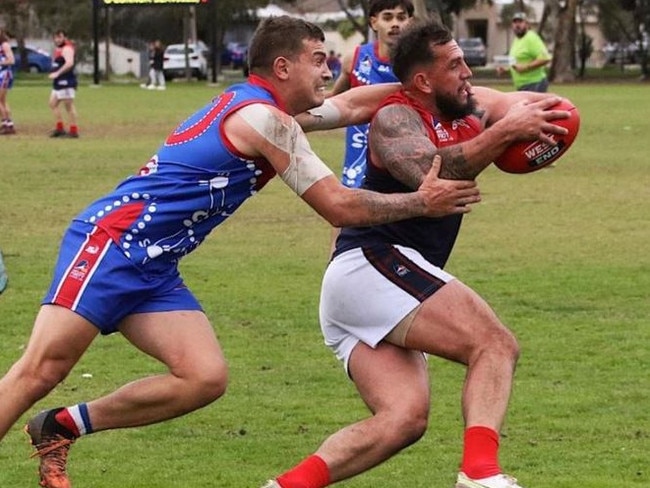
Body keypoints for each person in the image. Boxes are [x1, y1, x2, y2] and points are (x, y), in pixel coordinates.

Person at [0, 16, 483, 488]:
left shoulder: (265, 109)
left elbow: (355, 103)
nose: (327, 70)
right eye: (317, 60)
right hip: (113, 242)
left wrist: (456, 96)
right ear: (282, 67)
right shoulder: (264, 120)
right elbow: (339, 205)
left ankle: (62, 425)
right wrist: (422, 201)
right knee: (42, 369)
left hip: (156, 264)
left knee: (203, 377)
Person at [261, 19, 570, 488]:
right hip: (370, 263)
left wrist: (538, 118)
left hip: (370, 284)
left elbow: (514, 107)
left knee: (404, 418)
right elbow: (433, 171)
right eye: (455, 65)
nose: (468, 72)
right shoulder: (396, 116)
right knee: (494, 343)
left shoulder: (463, 108)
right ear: (423, 80)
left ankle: (286, 486)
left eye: (466, 60)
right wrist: (505, 132)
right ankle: (480, 474)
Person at [329, 0, 414, 188]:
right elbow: (333, 100)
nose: (395, 24)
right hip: (360, 157)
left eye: (401, 17)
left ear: (410, 22)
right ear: (374, 22)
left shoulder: (418, 66)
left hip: (404, 157)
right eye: (387, 17)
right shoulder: (355, 59)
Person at [498, 12, 551, 92]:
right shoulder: (517, 40)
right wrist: (506, 69)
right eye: (515, 22)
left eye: (520, 22)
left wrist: (526, 67)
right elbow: (517, 61)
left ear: (527, 24)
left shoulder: (531, 38)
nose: (517, 25)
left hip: (534, 83)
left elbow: (545, 58)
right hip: (523, 86)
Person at [49, 30, 79, 138]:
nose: (57, 39)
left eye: (60, 37)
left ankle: (73, 130)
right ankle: (60, 128)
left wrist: (57, 73)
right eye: (56, 37)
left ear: (65, 37)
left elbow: (69, 63)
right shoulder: (59, 49)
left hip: (66, 81)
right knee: (52, 103)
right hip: (58, 81)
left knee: (69, 106)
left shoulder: (67, 48)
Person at [0, 28, 16, 135]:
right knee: (3, 101)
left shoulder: (4, 45)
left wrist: (1, 63)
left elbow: (11, 60)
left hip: (4, 74)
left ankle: (6, 123)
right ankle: (9, 124)